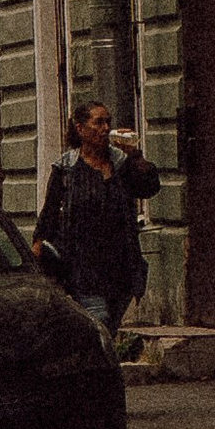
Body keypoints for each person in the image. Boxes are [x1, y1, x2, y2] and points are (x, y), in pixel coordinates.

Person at [34, 97, 160, 332]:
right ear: (80, 129)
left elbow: (149, 187)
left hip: (121, 267)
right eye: (99, 122)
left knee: (110, 325)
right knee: (98, 320)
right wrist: (39, 246)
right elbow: (49, 212)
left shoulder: (121, 163)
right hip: (82, 267)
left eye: (108, 122)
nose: (105, 129)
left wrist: (134, 155)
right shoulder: (66, 168)